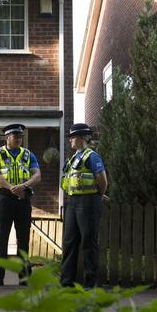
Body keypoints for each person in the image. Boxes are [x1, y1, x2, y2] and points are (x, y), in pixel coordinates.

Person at [0, 124, 41, 287]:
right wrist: (12, 188)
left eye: (20, 136)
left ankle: (24, 277)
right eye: (15, 136)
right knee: (1, 238)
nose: (18, 139)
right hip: (5, 198)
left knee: (23, 239)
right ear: (7, 137)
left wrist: (24, 186)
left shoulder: (28, 154)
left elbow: (37, 175)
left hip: (23, 199)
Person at [60, 123, 108, 289]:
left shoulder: (92, 156)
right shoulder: (74, 157)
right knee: (69, 242)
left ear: (81, 138)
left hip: (88, 202)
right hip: (73, 202)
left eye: (72, 137)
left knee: (88, 243)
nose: (70, 140)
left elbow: (103, 180)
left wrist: (98, 196)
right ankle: (66, 282)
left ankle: (90, 284)